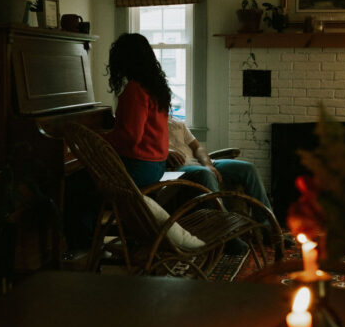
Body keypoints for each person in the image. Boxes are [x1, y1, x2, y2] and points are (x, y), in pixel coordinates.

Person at [104, 33, 172, 189]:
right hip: (157, 165)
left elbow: (131, 136)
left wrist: (102, 137)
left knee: (83, 180)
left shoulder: (135, 89)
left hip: (139, 166)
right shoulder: (154, 87)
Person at [166, 116, 272, 215]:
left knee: (248, 168)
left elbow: (198, 148)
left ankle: (267, 222)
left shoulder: (176, 121)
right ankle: (223, 222)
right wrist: (165, 153)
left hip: (201, 162)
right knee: (206, 173)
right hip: (181, 167)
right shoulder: (154, 124)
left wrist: (208, 165)